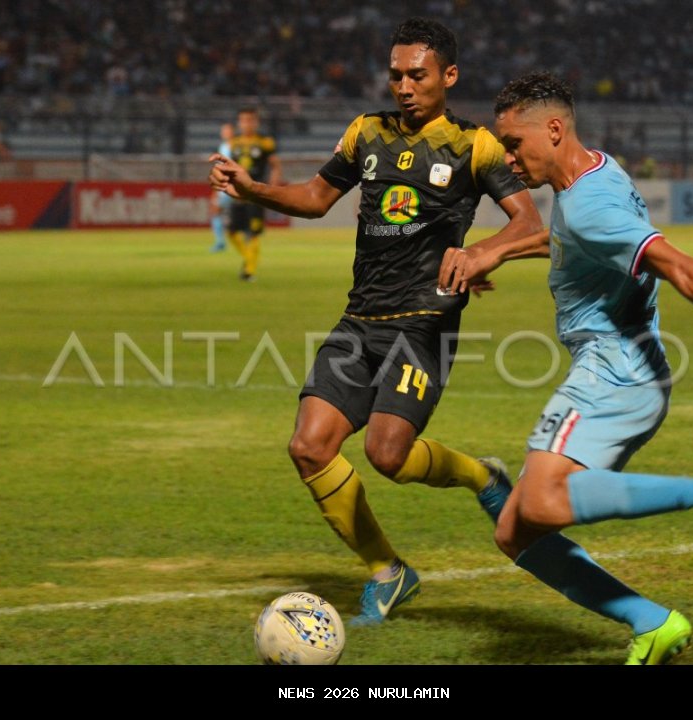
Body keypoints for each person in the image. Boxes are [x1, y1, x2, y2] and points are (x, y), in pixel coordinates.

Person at [439, 71, 693, 664]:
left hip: (614, 368)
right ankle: (653, 622)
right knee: (514, 533)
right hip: (630, 366)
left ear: (553, 128)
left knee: (540, 503)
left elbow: (677, 263)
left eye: (514, 144)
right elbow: (571, 239)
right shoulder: (592, 171)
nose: (509, 158)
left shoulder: (590, 201)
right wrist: (496, 248)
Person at [210, 18, 541, 625]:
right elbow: (314, 198)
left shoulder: (475, 145)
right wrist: (251, 189)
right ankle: (389, 573)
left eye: (417, 74)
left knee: (389, 456)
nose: (404, 86)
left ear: (449, 75)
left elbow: (527, 222)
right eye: (396, 74)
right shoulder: (367, 132)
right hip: (360, 318)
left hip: (426, 323)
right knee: (309, 447)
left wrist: (480, 252)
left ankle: (480, 475)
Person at [226, 108, 282, 280]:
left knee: (254, 232)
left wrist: (272, 188)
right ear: (239, 122)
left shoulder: (265, 142)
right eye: (244, 120)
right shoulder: (233, 143)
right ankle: (248, 258)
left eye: (250, 120)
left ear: (256, 122)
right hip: (238, 193)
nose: (247, 124)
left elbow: (275, 166)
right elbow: (229, 169)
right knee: (231, 231)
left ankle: (249, 271)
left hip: (257, 192)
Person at [209, 123, 234, 253]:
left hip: (230, 185)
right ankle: (220, 241)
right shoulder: (223, 146)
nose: (225, 133)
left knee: (215, 211)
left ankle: (220, 242)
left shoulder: (235, 147)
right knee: (215, 210)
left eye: (227, 131)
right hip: (225, 185)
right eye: (223, 131)